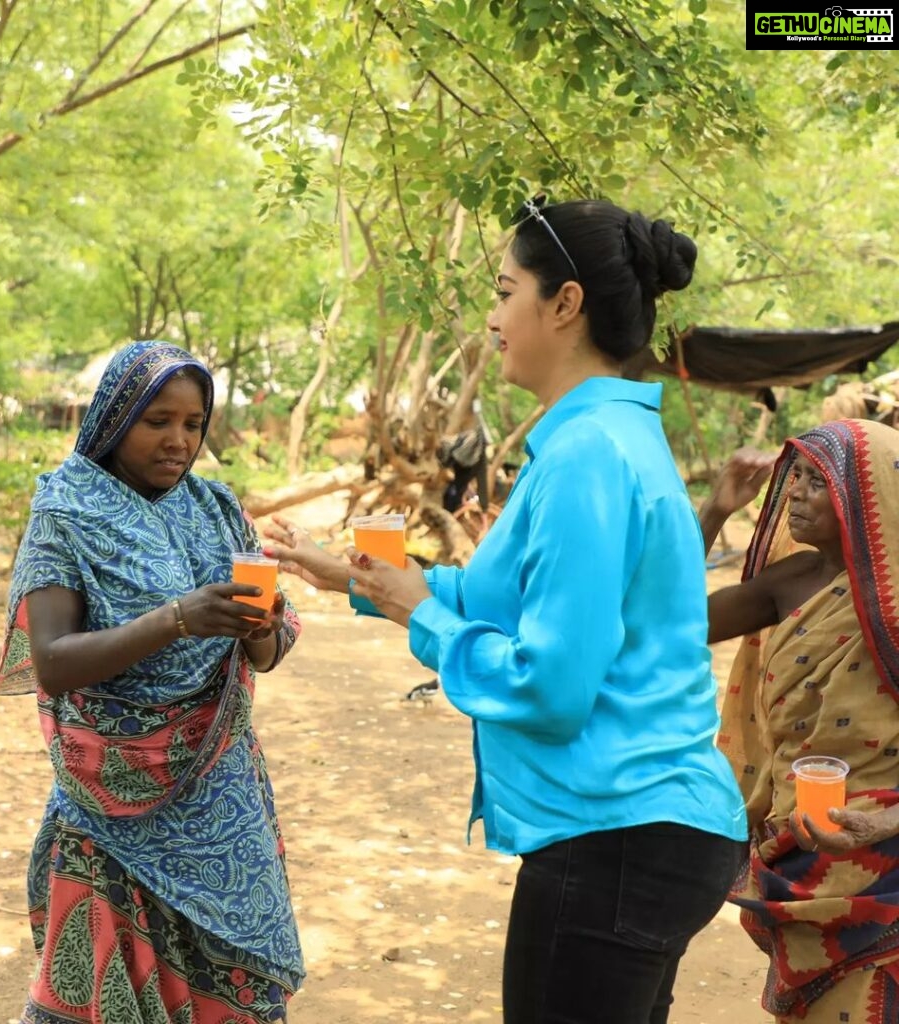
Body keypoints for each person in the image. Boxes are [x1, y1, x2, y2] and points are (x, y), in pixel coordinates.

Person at [265, 196, 748, 1024]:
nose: (491, 316)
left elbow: (552, 689)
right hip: (645, 832)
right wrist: (356, 578)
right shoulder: (597, 441)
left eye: (503, 290)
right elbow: (501, 601)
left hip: (620, 833)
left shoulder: (589, 457)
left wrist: (426, 617)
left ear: (564, 305)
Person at [0, 341, 304, 1024]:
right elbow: (53, 659)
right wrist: (177, 620)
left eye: (193, 424)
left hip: (219, 790)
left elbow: (268, 651)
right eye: (158, 420)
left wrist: (257, 627)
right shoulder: (65, 511)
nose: (178, 440)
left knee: (227, 979)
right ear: (116, 415)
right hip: (110, 803)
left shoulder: (217, 509)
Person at [701, 418, 899, 1023]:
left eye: (817, 482)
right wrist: (713, 511)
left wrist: (882, 823)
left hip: (884, 872)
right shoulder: (795, 581)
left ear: (867, 500)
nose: (794, 493)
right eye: (795, 478)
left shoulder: (895, 608)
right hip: (801, 854)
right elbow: (669, 622)